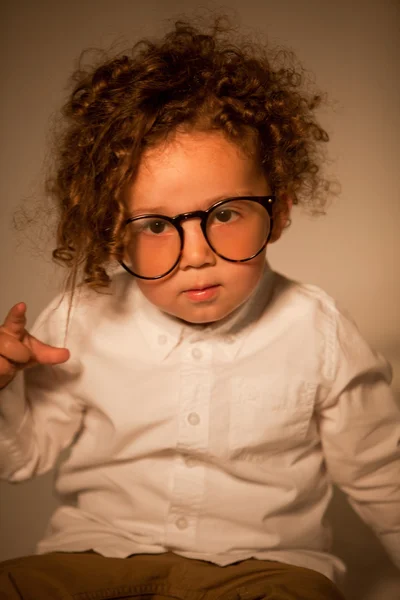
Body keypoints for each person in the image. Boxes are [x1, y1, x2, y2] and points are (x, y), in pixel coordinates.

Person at [0, 17, 398, 600]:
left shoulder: (317, 330)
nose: (197, 255)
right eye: (158, 225)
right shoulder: (79, 317)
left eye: (227, 213)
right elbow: (23, 457)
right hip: (93, 555)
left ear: (278, 212)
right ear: (113, 232)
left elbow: (382, 475)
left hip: (264, 568)